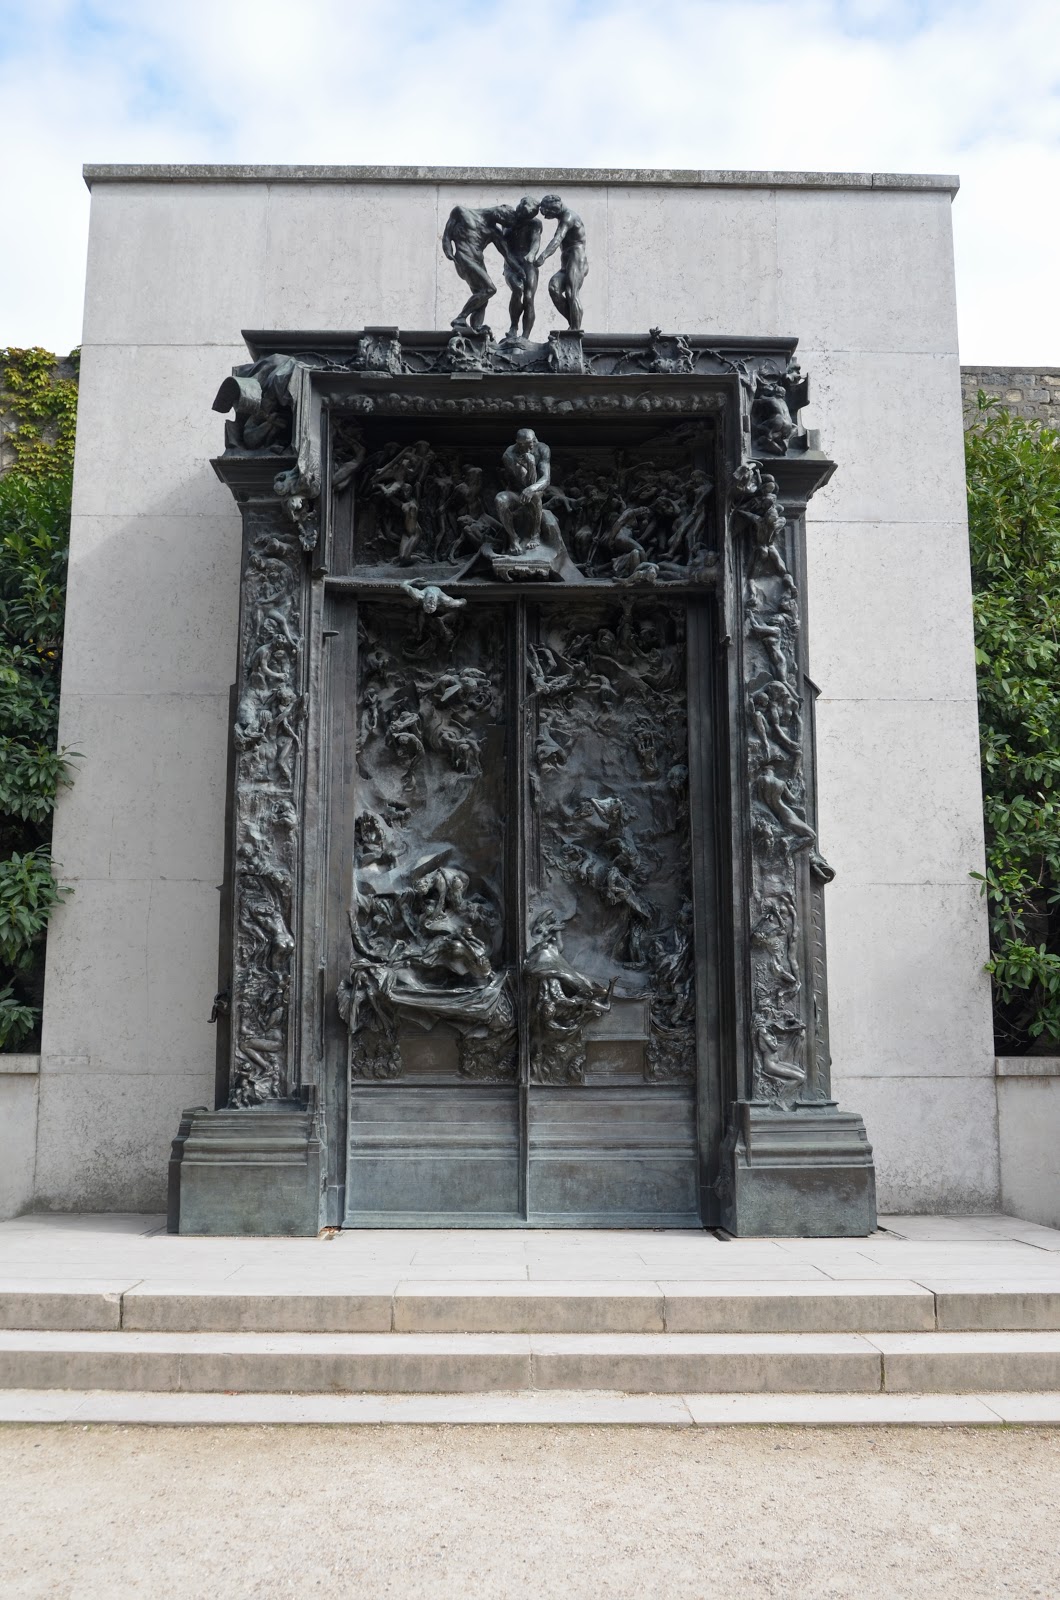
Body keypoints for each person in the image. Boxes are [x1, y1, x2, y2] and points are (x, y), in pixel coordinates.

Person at [441, 203, 521, 331]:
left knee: (482, 297)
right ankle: (460, 318)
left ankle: (476, 328)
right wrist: (447, 249)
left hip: (478, 262)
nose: (502, 220)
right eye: (505, 216)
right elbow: (447, 235)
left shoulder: (494, 231)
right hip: (464, 258)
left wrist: (520, 271)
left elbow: (507, 255)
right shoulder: (461, 212)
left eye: (504, 221)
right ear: (502, 207)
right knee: (489, 289)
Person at [536, 195, 588, 330]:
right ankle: (573, 323)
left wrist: (543, 256)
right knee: (554, 288)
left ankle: (575, 331)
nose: (547, 216)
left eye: (547, 212)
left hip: (577, 259)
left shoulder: (568, 217)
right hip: (566, 263)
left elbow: (558, 238)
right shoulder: (562, 218)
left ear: (556, 205)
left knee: (571, 293)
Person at [495, 429, 551, 552]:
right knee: (500, 500)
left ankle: (535, 535)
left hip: (536, 488)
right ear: (518, 443)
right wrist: (530, 466)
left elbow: (546, 479)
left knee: (535, 496)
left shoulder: (543, 449)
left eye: (531, 444)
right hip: (515, 491)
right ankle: (513, 538)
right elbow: (523, 481)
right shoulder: (509, 455)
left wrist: (531, 466)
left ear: (535, 440)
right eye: (524, 445)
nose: (528, 448)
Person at [499, 196, 542, 341]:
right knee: (517, 289)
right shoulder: (508, 219)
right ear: (519, 207)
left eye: (528, 216)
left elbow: (536, 241)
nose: (525, 218)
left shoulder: (535, 223)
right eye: (523, 214)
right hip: (511, 262)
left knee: (529, 298)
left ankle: (525, 336)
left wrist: (532, 254)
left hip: (528, 262)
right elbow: (502, 245)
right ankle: (513, 326)